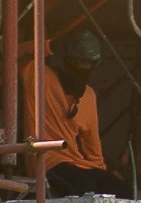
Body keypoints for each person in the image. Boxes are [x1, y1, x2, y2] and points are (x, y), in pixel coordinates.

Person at [29, 31, 113, 194]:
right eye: (77, 62)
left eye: (87, 63)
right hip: (47, 161)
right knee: (85, 188)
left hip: (78, 164)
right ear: (66, 60)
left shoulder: (88, 95)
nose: (82, 67)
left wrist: (102, 173)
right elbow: (10, 53)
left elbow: (93, 147)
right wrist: (48, 46)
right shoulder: (40, 77)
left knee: (120, 190)